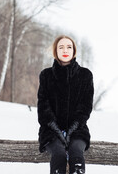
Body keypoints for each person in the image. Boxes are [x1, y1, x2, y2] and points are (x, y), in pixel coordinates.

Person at [37, 35, 94, 174]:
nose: (65, 50)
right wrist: (57, 130)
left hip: (78, 130)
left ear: (74, 51)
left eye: (69, 47)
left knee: (76, 154)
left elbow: (85, 107)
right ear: (55, 51)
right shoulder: (46, 75)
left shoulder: (85, 75)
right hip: (51, 131)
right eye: (61, 47)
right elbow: (43, 108)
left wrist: (72, 128)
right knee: (59, 155)